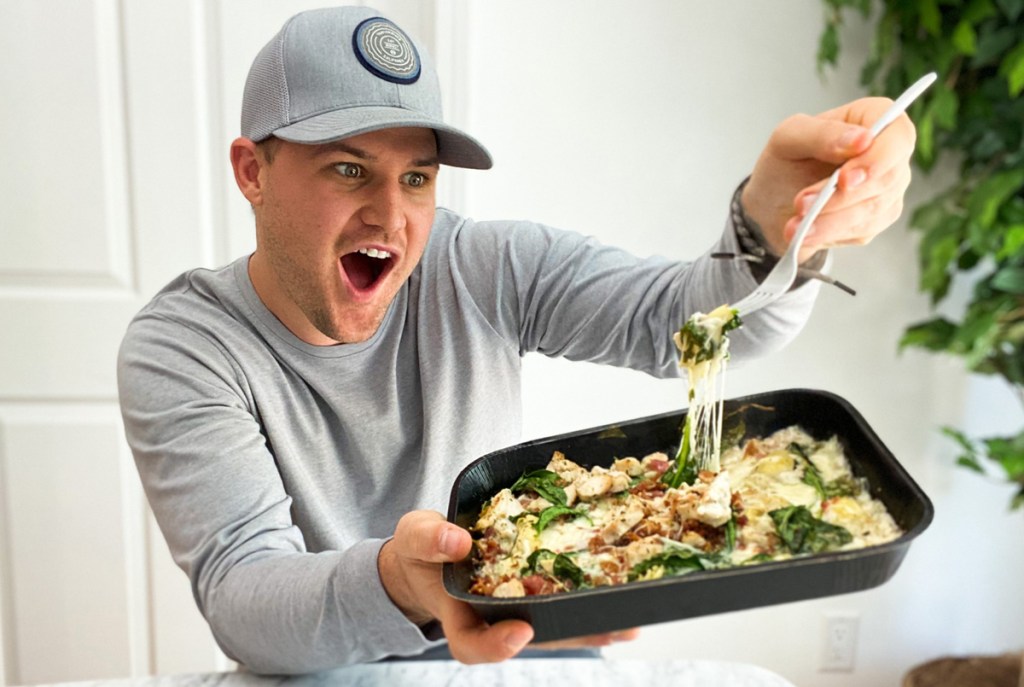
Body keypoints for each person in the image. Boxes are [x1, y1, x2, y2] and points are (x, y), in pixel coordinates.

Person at [116, 4, 916, 675]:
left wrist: (780, 228)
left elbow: (693, 326)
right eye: (348, 170)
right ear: (253, 171)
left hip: (526, 655)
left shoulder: (479, 263)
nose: (392, 218)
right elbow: (246, 602)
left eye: (418, 177)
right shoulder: (185, 345)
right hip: (328, 670)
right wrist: (406, 583)